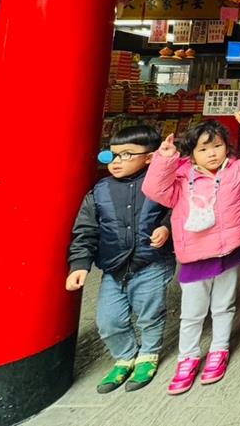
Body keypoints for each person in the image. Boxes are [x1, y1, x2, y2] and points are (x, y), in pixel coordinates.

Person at [142, 106, 240, 395]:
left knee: (224, 306)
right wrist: (164, 159)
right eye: (203, 149)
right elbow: (154, 190)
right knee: (192, 312)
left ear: (227, 147)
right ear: (191, 153)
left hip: (229, 251)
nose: (212, 153)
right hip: (195, 255)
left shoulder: (237, 171)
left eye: (218, 146)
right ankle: (187, 357)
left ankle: (219, 350)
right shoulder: (180, 179)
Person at [66, 125, 174, 394]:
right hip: (114, 267)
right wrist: (79, 264)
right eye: (111, 155)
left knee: (150, 313)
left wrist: (166, 227)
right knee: (108, 320)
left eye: (126, 155)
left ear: (149, 157)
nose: (116, 161)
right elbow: (86, 230)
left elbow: (178, 210)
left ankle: (148, 354)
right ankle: (125, 356)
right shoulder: (99, 191)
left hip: (151, 261)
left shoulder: (160, 184)